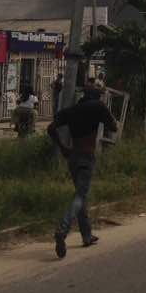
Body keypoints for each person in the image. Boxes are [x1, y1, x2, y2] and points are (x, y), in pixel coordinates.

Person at [47, 85, 118, 259]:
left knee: (81, 196)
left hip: (73, 157)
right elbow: (114, 127)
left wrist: (63, 148)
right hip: (87, 156)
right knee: (80, 196)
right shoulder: (97, 107)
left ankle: (87, 236)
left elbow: (50, 128)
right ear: (96, 97)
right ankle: (62, 230)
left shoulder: (71, 111)